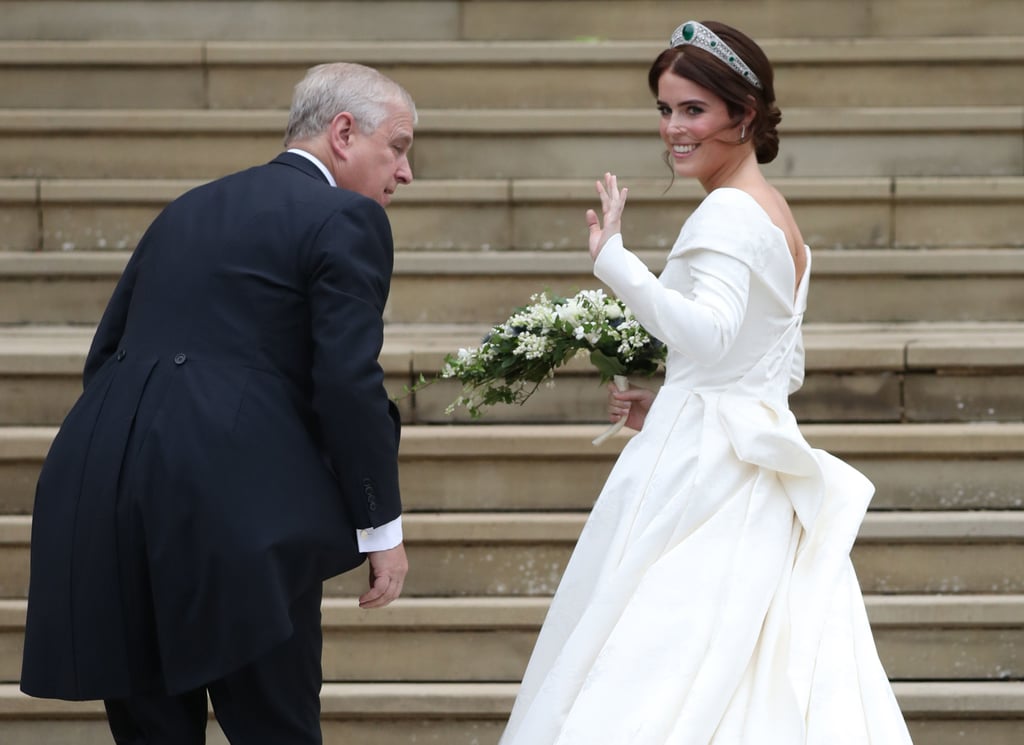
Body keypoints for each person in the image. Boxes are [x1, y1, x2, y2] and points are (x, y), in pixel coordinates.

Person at [499, 21, 913, 744]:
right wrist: (675, 396)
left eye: (692, 109)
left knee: (654, 664)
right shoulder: (777, 216)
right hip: (751, 456)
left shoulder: (726, 210)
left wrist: (617, 263)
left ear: (743, 114)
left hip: (704, 475)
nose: (673, 129)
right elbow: (778, 365)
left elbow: (712, 334)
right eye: (665, 110)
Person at [20, 62, 415, 744]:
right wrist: (380, 526)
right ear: (343, 133)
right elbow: (347, 382)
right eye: (400, 148)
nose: (405, 174)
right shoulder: (348, 217)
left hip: (104, 493)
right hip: (242, 509)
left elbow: (105, 354)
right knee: (276, 725)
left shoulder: (189, 206)